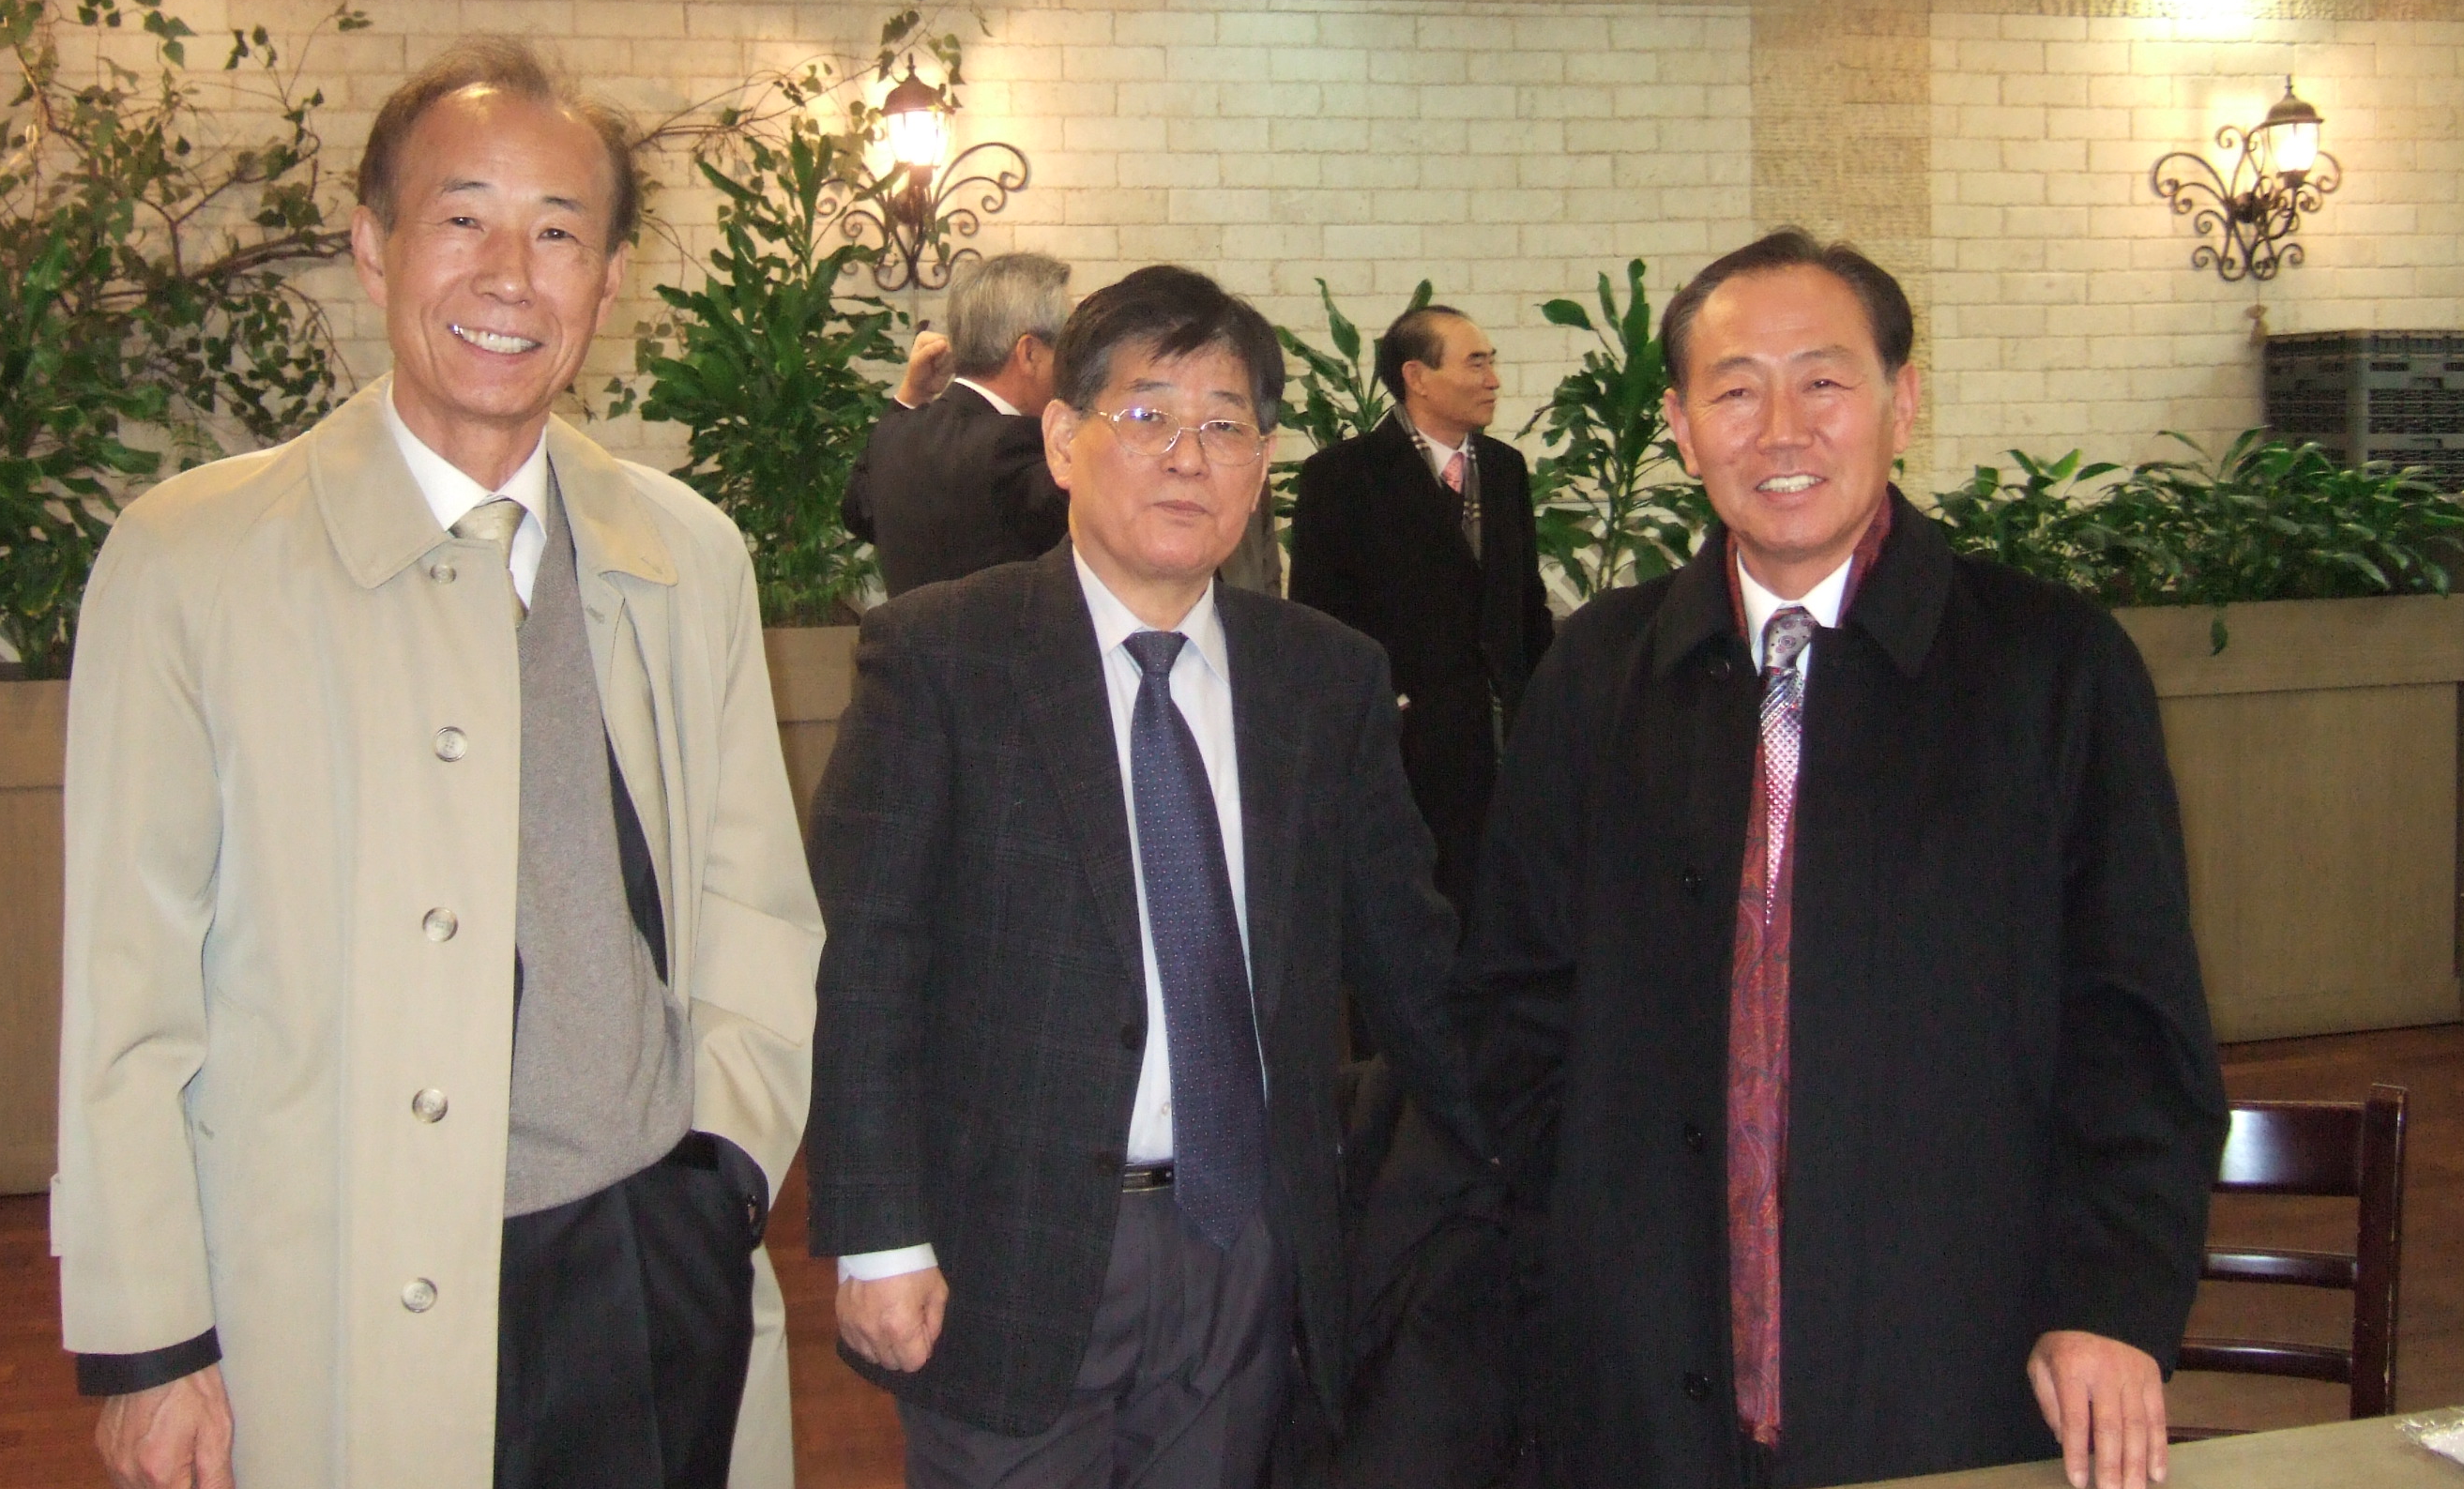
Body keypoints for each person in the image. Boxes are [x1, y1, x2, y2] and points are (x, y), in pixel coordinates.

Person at [55, 39, 824, 1489]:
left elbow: (754, 903)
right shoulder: (192, 562)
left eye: (559, 235)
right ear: (374, 247)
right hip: (334, 1274)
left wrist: (721, 1171)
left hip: (643, 1251)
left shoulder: (684, 553)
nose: (509, 276)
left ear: (608, 282)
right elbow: (125, 988)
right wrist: (151, 1339)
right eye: (463, 219)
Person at [1466, 229, 2227, 1489]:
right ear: (1682, 427)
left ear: (1901, 401)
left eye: (1823, 381)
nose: (1782, 430)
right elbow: (1513, 1008)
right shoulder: (1598, 671)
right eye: (1734, 391)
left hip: (1951, 1356)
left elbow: (2135, 1027)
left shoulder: (2051, 668)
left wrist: (2107, 1299)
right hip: (1641, 1365)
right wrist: (1569, 1259)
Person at [806, 264, 1486, 1489]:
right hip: (1006, 1250)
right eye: (1147, 414)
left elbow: (1411, 962)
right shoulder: (946, 654)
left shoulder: (1322, 678)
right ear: (1062, 440)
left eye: (1225, 425)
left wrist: (1524, 1159)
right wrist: (877, 1237)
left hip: (1246, 1245)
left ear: (1262, 464)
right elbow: (866, 963)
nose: (1187, 456)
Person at [1289, 304, 1554, 930]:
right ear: (1417, 376)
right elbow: (1319, 622)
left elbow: (1525, 604)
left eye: (1492, 363)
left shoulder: (1505, 469)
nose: (1493, 380)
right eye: (1476, 363)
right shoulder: (1341, 477)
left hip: (1502, 748)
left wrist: (1543, 707)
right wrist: (1387, 710)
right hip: (1404, 752)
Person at [843, 251, 1073, 598]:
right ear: (1029, 353)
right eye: (1068, 347)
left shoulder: (894, 434)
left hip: (905, 635)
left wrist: (910, 394)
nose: (1073, 364)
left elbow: (856, 513)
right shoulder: (1021, 445)